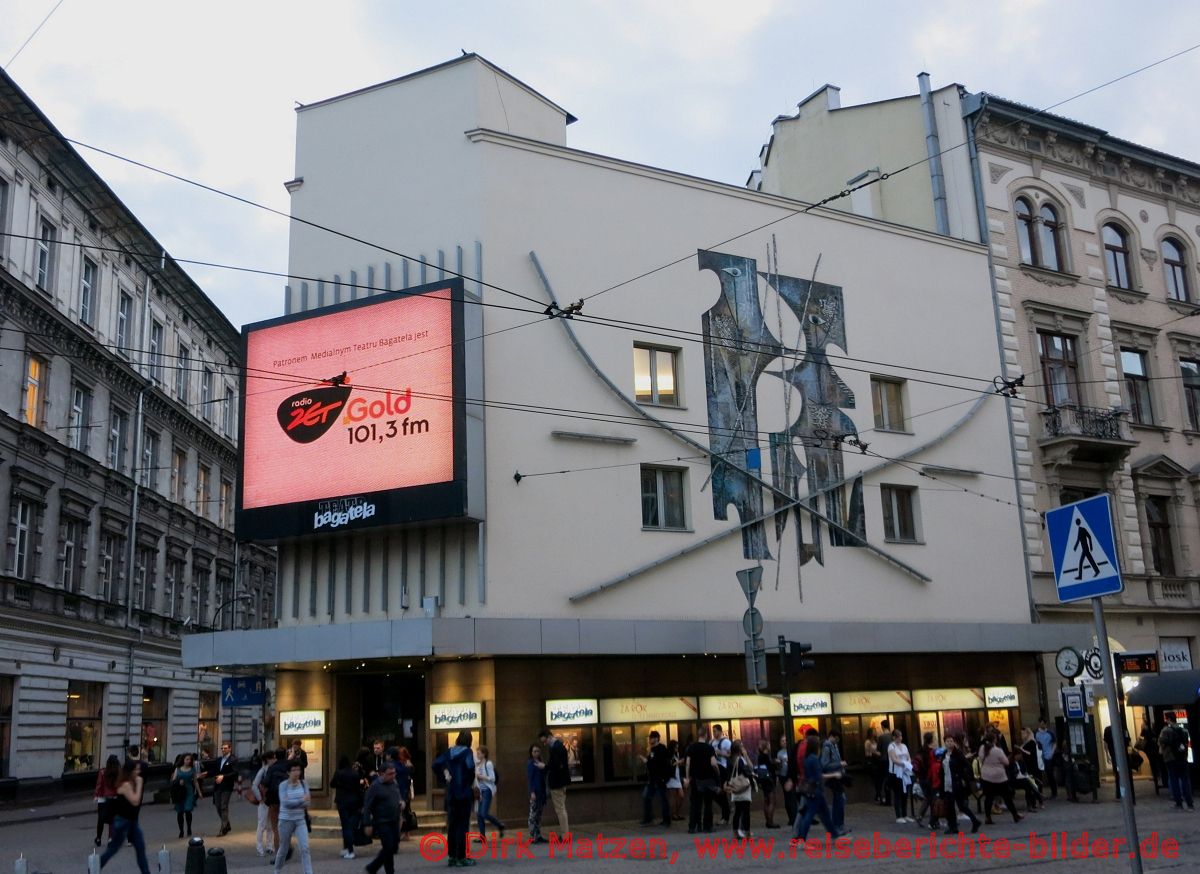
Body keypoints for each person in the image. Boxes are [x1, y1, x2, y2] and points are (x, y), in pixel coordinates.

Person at [433, 730, 477, 867]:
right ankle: (461, 857)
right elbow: (470, 769)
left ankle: (452, 856)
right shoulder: (467, 752)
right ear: (469, 740)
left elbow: (435, 764)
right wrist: (468, 784)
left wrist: (445, 775)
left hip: (451, 793)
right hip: (463, 793)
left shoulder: (449, 752)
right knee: (463, 826)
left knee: (452, 825)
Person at [100, 760, 151, 874]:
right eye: (136, 769)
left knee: (140, 848)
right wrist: (140, 784)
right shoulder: (126, 784)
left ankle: (146, 872)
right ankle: (95, 866)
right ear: (130, 771)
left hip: (131, 821)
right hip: (122, 821)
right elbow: (135, 801)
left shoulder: (131, 782)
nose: (138, 772)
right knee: (113, 849)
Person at [792, 736, 843, 841]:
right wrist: (834, 775)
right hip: (815, 790)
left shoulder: (807, 759)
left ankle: (835, 835)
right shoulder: (814, 759)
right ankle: (801, 839)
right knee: (810, 815)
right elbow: (818, 775)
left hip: (811, 790)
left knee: (825, 815)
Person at [362, 762, 403, 874]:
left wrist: (401, 802)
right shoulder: (375, 787)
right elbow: (367, 806)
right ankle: (390, 871)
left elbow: (397, 795)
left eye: (394, 773)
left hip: (394, 819)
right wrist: (367, 824)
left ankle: (372, 867)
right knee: (388, 847)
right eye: (390, 774)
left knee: (393, 847)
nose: (393, 776)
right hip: (382, 821)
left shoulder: (394, 783)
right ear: (381, 774)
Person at [274, 761, 313, 874]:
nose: (297, 773)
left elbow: (308, 803)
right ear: (288, 772)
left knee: (305, 848)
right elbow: (285, 803)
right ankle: (277, 870)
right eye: (294, 770)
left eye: (298, 770)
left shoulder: (304, 784)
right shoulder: (283, 785)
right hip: (285, 820)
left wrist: (294, 801)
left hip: (300, 820)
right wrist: (301, 800)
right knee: (284, 849)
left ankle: (309, 872)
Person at [978, 732, 1023, 825]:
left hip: (986, 776)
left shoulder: (982, 749)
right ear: (994, 740)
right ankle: (1015, 815)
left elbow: (980, 759)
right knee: (1007, 797)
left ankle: (988, 817)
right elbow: (1006, 762)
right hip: (999, 777)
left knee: (988, 798)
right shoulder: (997, 750)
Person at [941, 736, 981, 835]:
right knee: (949, 806)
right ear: (944, 743)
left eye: (951, 741)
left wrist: (964, 778)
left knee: (961, 806)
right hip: (947, 783)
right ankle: (953, 827)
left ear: (954, 742)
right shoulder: (944, 754)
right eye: (947, 741)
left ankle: (975, 821)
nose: (949, 743)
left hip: (957, 783)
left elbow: (966, 766)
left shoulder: (958, 754)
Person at [684, 727, 718, 834]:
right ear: (706, 735)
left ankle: (694, 827)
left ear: (698, 735)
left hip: (695, 780)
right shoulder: (709, 748)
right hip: (708, 779)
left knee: (695, 804)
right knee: (708, 804)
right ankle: (708, 827)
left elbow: (688, 763)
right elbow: (713, 763)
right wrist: (717, 773)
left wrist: (687, 778)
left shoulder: (691, 748)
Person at [331, 754, 365, 859]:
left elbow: (332, 784)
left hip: (342, 802)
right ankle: (347, 848)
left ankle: (349, 849)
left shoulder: (338, 773)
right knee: (350, 825)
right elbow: (358, 788)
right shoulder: (355, 774)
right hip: (354, 801)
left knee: (345, 826)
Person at [1159, 711, 1195, 810]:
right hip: (1183, 758)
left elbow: (1161, 743)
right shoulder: (1183, 730)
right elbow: (1186, 743)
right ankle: (1190, 803)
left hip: (1171, 758)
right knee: (1185, 780)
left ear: (1168, 719)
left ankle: (1178, 803)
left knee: (1174, 780)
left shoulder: (1165, 731)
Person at [539, 727, 570, 834]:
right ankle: (564, 833)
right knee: (561, 808)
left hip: (557, 783)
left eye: (545, 741)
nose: (545, 744)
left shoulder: (556, 747)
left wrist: (545, 766)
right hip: (561, 782)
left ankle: (565, 834)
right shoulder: (559, 746)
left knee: (560, 809)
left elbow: (557, 766)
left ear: (549, 737)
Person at [638, 730, 671, 827]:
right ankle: (648, 819)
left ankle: (666, 820)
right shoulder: (652, 750)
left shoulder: (661, 749)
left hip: (659, 779)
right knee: (646, 797)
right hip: (652, 779)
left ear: (656, 738)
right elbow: (651, 763)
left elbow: (655, 764)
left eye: (651, 738)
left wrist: (644, 759)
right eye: (649, 738)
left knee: (662, 799)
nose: (649, 740)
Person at [819, 729, 848, 835]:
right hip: (833, 776)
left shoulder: (833, 746)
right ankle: (837, 824)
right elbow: (824, 765)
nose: (837, 741)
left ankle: (838, 824)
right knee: (840, 799)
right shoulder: (827, 747)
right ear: (831, 736)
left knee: (839, 799)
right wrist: (840, 764)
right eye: (836, 739)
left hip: (837, 776)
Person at [264, 747, 290, 860]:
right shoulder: (289, 766)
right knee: (287, 826)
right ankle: (286, 849)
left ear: (275, 756)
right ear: (285, 754)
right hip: (287, 800)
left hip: (274, 801)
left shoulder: (272, 768)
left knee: (276, 828)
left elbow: (265, 783)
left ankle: (279, 855)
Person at [210, 741, 240, 836]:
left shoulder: (233, 760)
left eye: (225, 748)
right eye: (222, 748)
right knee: (218, 805)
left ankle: (223, 828)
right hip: (217, 785)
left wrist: (223, 776)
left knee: (223, 806)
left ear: (230, 749)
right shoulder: (219, 760)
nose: (223, 750)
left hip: (227, 786)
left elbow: (235, 772)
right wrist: (205, 774)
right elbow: (214, 771)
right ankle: (227, 824)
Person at [476, 745, 506, 836]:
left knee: (483, 813)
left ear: (484, 754)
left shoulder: (488, 764)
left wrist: (480, 777)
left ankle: (499, 824)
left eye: (479, 753)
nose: (477, 754)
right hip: (480, 792)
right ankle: (482, 836)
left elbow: (492, 778)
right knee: (479, 815)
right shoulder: (477, 765)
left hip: (487, 791)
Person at [252, 749, 277, 858]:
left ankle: (269, 846)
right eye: (273, 758)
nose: (275, 760)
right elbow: (254, 785)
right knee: (262, 825)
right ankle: (259, 848)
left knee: (270, 825)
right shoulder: (263, 770)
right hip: (264, 802)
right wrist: (260, 798)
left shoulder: (270, 770)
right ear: (268, 759)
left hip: (269, 801)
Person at [171, 752, 203, 838]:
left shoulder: (192, 769)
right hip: (180, 793)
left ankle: (189, 828)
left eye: (190, 759)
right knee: (180, 812)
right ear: (183, 760)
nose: (188, 761)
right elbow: (173, 781)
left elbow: (195, 781)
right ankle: (181, 830)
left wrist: (199, 792)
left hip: (189, 792)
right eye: (187, 759)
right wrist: (178, 781)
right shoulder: (178, 769)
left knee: (188, 810)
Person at [727, 740, 754, 839]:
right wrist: (746, 755)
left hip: (735, 787)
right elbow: (750, 769)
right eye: (742, 746)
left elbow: (728, 774)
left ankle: (735, 833)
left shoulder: (730, 760)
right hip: (743, 787)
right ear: (739, 749)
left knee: (737, 811)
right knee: (746, 811)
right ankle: (747, 833)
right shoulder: (741, 759)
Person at [94, 755, 121, 847]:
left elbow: (99, 784)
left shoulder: (102, 772)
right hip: (114, 798)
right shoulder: (119, 773)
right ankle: (110, 838)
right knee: (112, 820)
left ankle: (98, 838)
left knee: (100, 819)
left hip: (102, 797)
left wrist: (96, 795)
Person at [887, 728, 913, 823]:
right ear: (894, 737)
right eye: (898, 737)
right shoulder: (891, 746)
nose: (900, 738)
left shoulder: (904, 746)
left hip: (904, 772)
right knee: (897, 794)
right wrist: (904, 763)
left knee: (905, 794)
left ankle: (905, 814)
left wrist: (908, 763)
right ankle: (898, 816)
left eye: (901, 736)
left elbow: (908, 757)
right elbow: (894, 759)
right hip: (895, 773)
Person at [710, 724, 732, 825]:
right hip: (714, 769)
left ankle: (725, 817)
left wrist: (720, 752)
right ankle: (726, 809)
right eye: (713, 731)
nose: (714, 733)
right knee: (714, 792)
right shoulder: (711, 742)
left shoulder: (726, 742)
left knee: (722, 792)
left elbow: (731, 754)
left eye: (715, 731)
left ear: (720, 731)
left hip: (723, 768)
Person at [526, 743, 549, 844]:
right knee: (533, 815)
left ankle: (538, 835)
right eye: (534, 751)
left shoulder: (540, 762)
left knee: (539, 815)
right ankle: (532, 835)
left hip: (541, 791)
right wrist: (532, 792)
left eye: (538, 751)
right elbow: (530, 779)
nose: (536, 753)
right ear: (531, 753)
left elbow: (544, 775)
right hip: (535, 791)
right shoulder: (531, 763)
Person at [755, 737, 779, 829]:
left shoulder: (760, 756)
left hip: (764, 781)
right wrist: (775, 763)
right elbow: (770, 768)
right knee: (772, 801)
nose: (770, 746)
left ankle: (768, 821)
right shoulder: (765, 756)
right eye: (768, 745)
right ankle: (770, 821)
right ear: (766, 746)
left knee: (766, 800)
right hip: (769, 781)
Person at [776, 733, 797, 826]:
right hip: (783, 776)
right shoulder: (779, 753)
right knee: (787, 797)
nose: (784, 742)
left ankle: (795, 817)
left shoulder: (792, 750)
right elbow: (779, 767)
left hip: (791, 776)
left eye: (785, 740)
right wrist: (778, 763)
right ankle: (791, 818)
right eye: (782, 741)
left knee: (793, 797)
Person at [1034, 719, 1058, 799]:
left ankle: (1054, 792)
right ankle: (1040, 792)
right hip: (1040, 755)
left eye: (1044, 724)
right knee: (1039, 774)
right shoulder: (1036, 733)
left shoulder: (1050, 733)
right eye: (1041, 724)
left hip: (1048, 754)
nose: (1043, 725)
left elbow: (1054, 743)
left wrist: (1052, 752)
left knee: (1049, 773)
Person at [666, 740, 685, 822]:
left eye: (677, 746)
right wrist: (679, 762)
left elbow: (677, 764)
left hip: (677, 777)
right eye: (676, 747)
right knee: (673, 797)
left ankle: (676, 813)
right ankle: (674, 814)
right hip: (671, 777)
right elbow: (671, 764)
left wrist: (680, 763)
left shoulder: (677, 754)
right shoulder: (669, 755)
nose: (677, 748)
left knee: (681, 796)